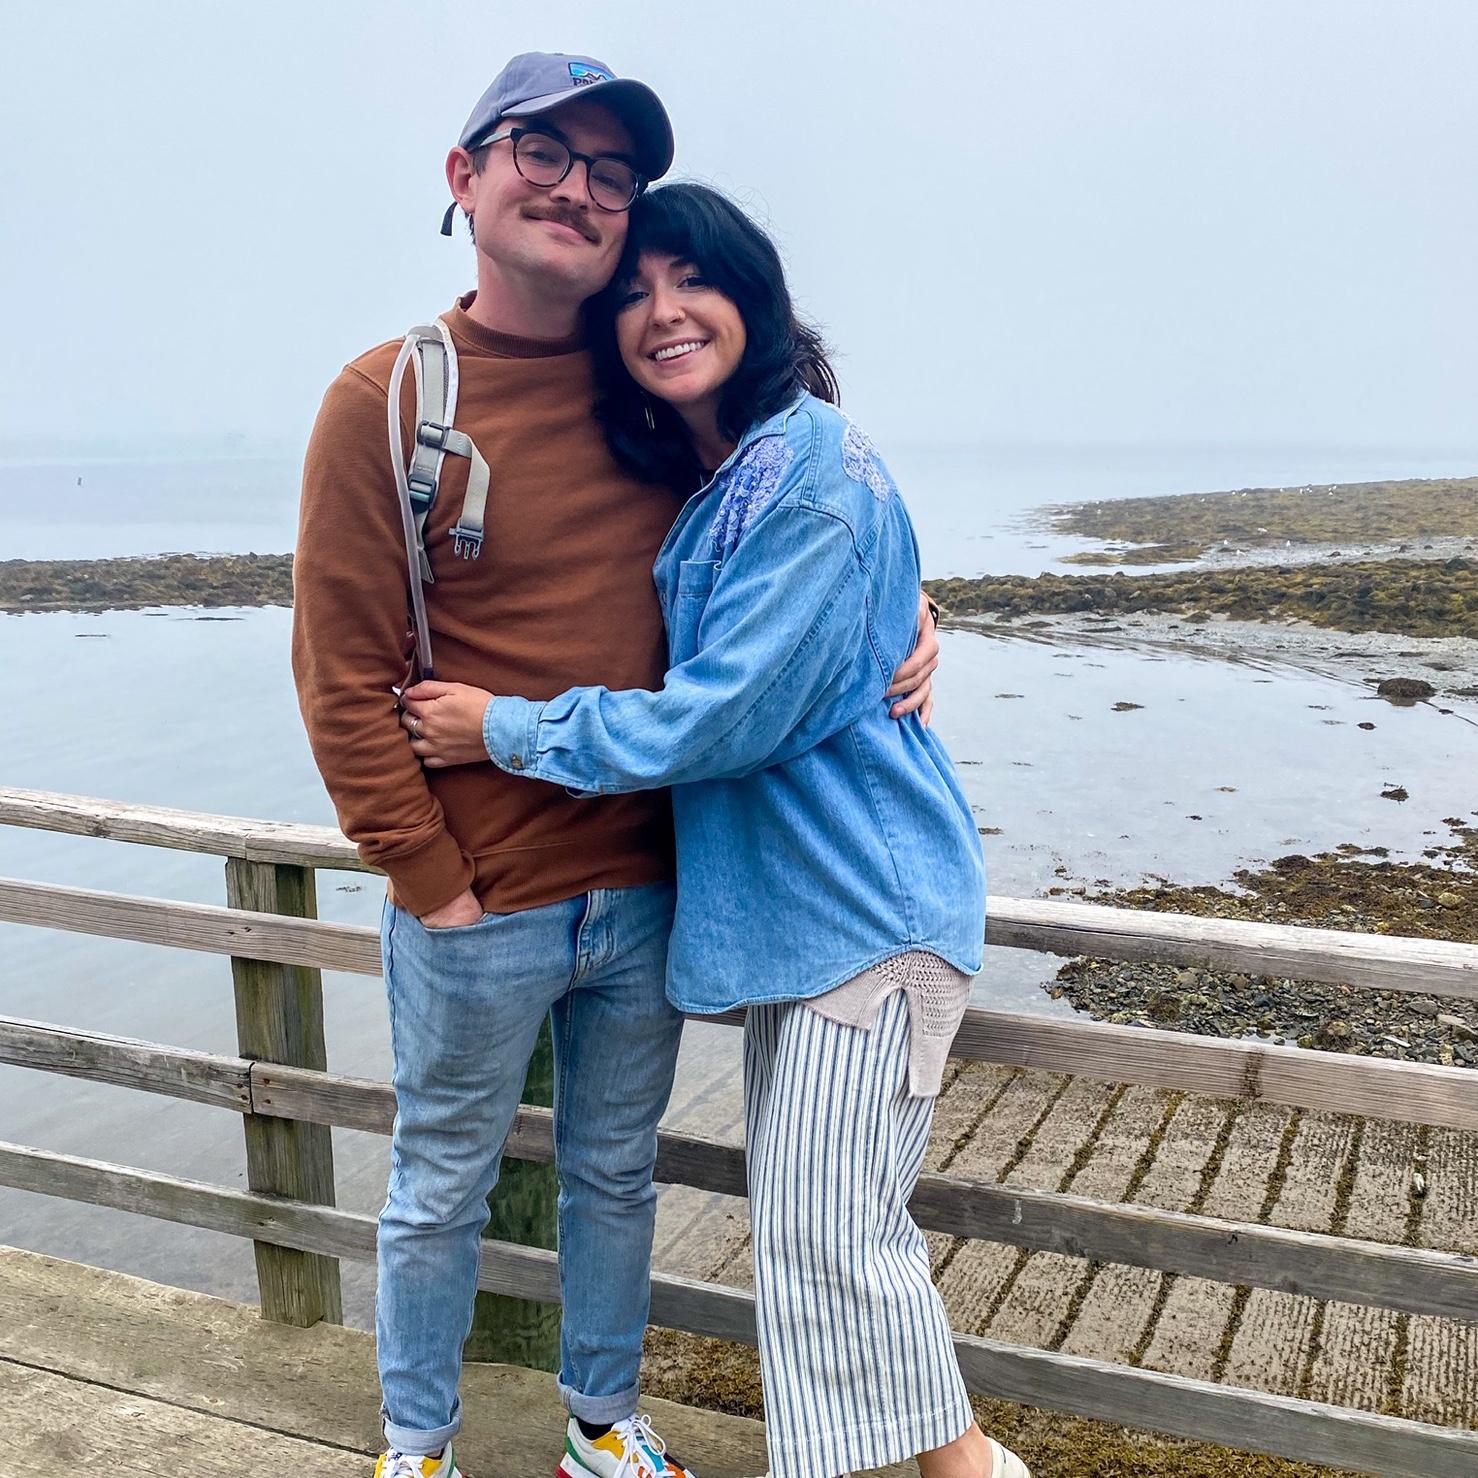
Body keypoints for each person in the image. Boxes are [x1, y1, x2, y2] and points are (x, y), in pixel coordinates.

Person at [292, 55, 939, 1478]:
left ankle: (600, 1421)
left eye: (608, 171)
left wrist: (907, 610)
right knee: (438, 1182)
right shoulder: (390, 397)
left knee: (613, 1176)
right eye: (541, 150)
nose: (576, 187)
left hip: (649, 883)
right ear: (463, 176)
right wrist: (431, 880)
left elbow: (801, 507)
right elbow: (340, 675)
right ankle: (417, 1442)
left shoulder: (646, 376)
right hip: (479, 899)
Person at [400, 184, 1031, 1478]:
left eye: (691, 278)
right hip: (799, 923)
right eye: (631, 290)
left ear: (752, 295)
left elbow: (716, 718)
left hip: (870, 915)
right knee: (821, 1235)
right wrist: (910, 610)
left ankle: (966, 1468)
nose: (661, 308)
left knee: (832, 1235)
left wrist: (499, 730)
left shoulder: (805, 470)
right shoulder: (716, 472)